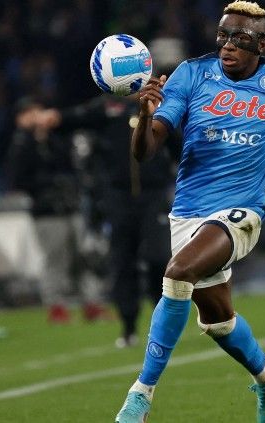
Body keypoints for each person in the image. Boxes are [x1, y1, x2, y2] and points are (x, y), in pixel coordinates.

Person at [114, 2, 265, 422]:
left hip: (243, 211)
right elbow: (146, 151)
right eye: (223, 36)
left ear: (261, 45)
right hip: (188, 212)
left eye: (240, 39)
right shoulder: (191, 74)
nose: (228, 46)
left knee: (176, 274)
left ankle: (141, 394)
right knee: (217, 321)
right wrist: (144, 114)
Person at [32, 94, 180, 348]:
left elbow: (179, 145)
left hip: (154, 196)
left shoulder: (162, 106)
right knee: (122, 261)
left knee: (158, 258)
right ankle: (129, 327)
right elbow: (77, 117)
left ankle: (163, 319)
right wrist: (55, 117)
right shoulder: (109, 107)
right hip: (118, 197)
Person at [10, 99, 111, 324]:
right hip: (46, 212)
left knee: (82, 258)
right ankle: (56, 307)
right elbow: (18, 179)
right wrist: (49, 182)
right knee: (56, 260)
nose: (37, 117)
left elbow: (73, 165)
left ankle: (92, 304)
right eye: (29, 113)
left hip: (70, 207)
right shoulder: (21, 143)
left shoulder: (57, 137)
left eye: (37, 111)